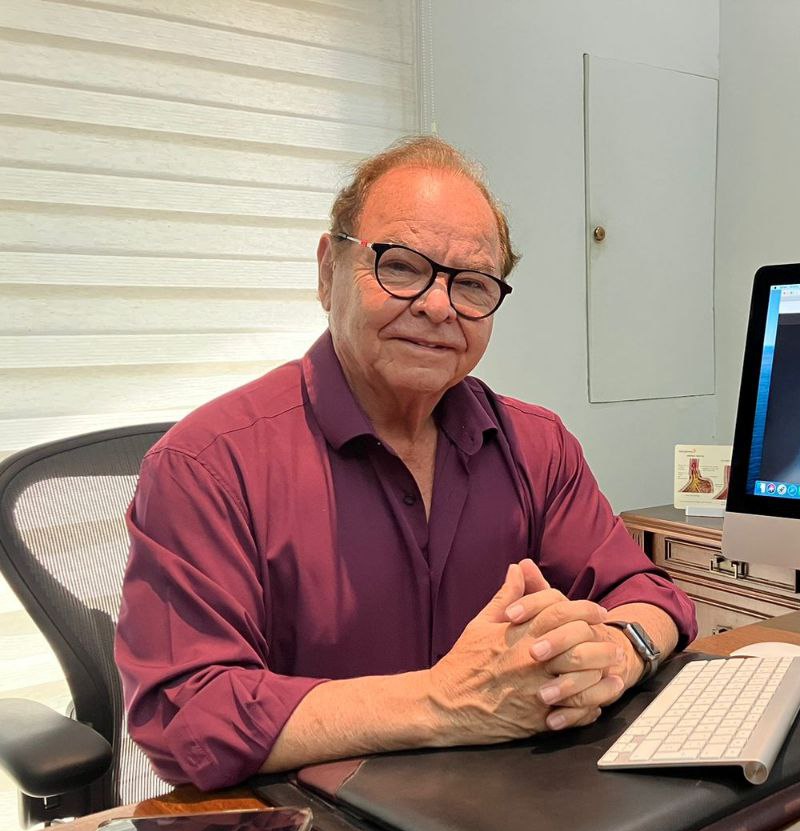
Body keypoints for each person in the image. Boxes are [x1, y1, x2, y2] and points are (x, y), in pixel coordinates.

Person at [115, 137, 698, 791]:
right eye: (400, 266)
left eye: (471, 283)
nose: (438, 306)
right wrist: (445, 703)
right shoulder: (206, 466)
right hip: (313, 827)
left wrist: (618, 652)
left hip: (514, 807)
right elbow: (188, 715)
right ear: (328, 273)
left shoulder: (537, 446)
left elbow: (649, 594)